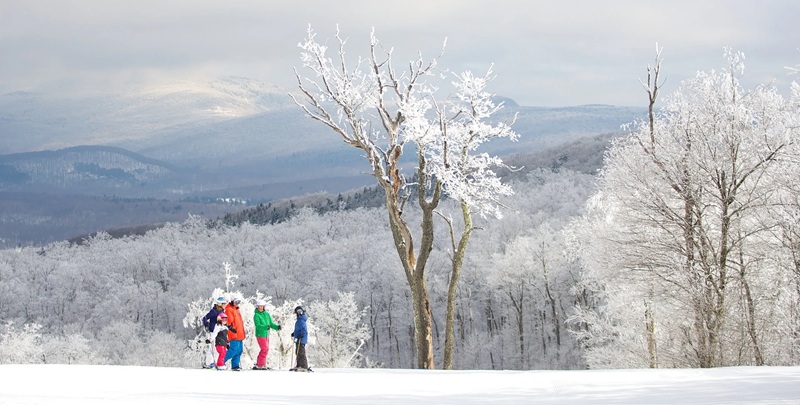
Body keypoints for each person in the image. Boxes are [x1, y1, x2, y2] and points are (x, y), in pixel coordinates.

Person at [252, 299, 281, 370]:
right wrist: (265, 327)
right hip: (260, 334)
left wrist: (277, 327)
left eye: (262, 306)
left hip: (267, 335)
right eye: (259, 306)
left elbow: (270, 324)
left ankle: (260, 363)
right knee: (264, 349)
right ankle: (261, 364)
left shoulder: (267, 314)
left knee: (266, 349)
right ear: (257, 307)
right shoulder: (256, 315)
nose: (260, 307)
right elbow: (258, 326)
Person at [201, 296, 227, 368]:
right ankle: (209, 363)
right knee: (212, 348)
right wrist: (207, 325)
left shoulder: (222, 311)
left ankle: (214, 362)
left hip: (219, 332)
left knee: (217, 348)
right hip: (213, 331)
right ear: (220, 304)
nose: (225, 305)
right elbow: (205, 318)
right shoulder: (214, 311)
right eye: (224, 304)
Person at [223, 297, 245, 371]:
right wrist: (231, 329)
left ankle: (235, 365)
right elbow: (228, 322)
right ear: (232, 301)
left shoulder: (236, 310)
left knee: (239, 350)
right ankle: (221, 362)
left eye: (238, 302)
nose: (237, 304)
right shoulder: (229, 310)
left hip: (240, 333)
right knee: (233, 349)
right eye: (235, 302)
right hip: (234, 333)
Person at [290, 305, 311, 372]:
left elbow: (303, 330)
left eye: (296, 313)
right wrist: (294, 333)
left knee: (301, 353)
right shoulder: (299, 320)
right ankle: (299, 365)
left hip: (301, 339)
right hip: (298, 338)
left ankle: (304, 366)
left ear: (299, 313)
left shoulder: (301, 320)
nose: (295, 315)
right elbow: (298, 329)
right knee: (298, 352)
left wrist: (301, 335)